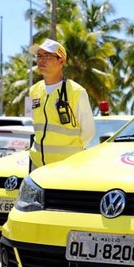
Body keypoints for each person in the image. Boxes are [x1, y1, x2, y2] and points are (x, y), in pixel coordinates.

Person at [28, 38, 95, 170]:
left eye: (47, 56)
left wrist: (71, 156)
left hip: (67, 167)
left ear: (61, 61)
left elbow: (88, 131)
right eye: (39, 56)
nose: (41, 60)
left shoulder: (76, 91)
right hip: (37, 165)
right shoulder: (34, 91)